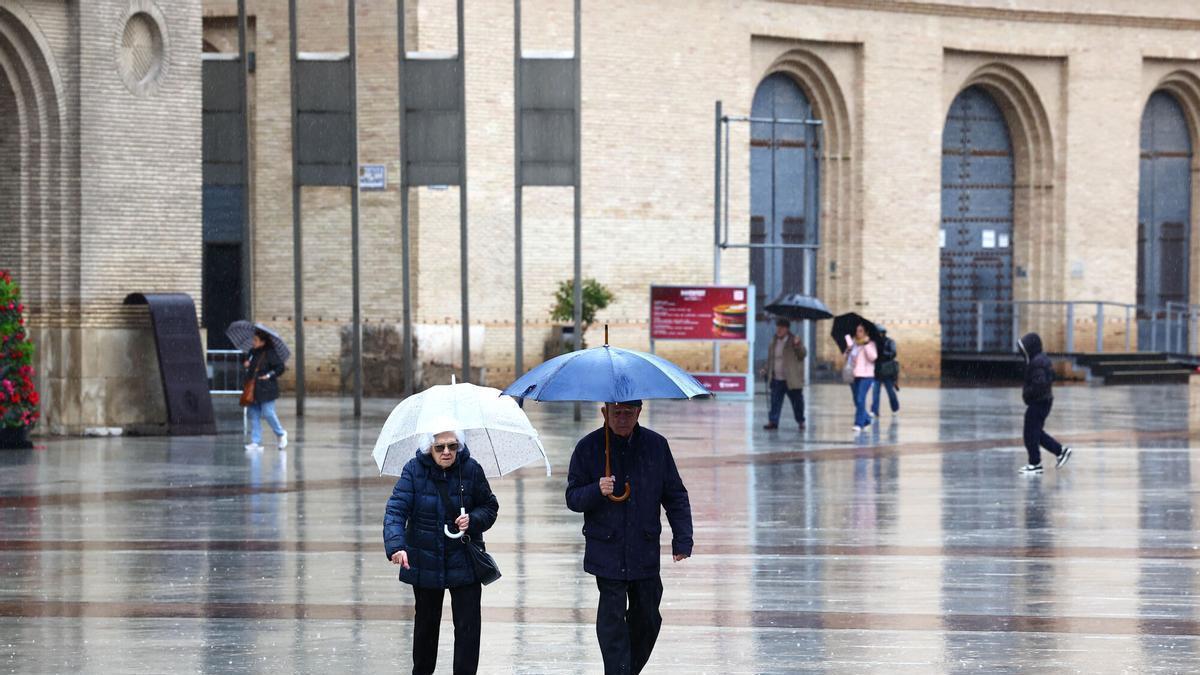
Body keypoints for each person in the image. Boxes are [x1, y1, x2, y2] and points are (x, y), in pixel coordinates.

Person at [565, 400, 693, 675]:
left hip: (643, 547)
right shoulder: (588, 448)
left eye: (628, 413)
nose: (622, 419)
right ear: (604, 413)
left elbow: (675, 495)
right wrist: (596, 489)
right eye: (616, 413)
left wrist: (683, 538)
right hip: (606, 549)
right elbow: (572, 498)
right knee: (611, 620)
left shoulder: (656, 446)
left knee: (647, 617)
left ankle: (627, 669)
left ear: (639, 412)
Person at [383, 429, 500, 675]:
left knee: (468, 630)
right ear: (429, 447)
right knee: (425, 629)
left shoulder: (471, 469)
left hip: (465, 560)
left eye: (452, 446)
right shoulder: (413, 470)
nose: (447, 452)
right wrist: (397, 546)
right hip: (426, 559)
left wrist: (474, 519)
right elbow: (395, 510)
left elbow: (489, 506)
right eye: (440, 447)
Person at [1017, 333, 1073, 475]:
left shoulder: (1037, 362)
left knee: (1030, 433)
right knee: (1035, 432)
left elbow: (1040, 383)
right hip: (1043, 400)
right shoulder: (1041, 360)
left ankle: (1035, 463)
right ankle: (1060, 451)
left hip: (1039, 401)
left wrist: (1028, 393)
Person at [243, 329, 287, 451]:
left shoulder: (270, 353)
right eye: (253, 340)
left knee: (268, 412)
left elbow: (280, 367)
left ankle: (281, 433)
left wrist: (268, 375)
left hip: (266, 388)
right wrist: (246, 363)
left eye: (256, 340)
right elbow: (249, 364)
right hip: (253, 388)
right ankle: (255, 441)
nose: (253, 342)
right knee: (254, 414)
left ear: (263, 342)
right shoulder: (252, 352)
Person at [763, 318, 807, 430]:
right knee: (775, 402)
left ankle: (800, 421)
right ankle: (773, 421)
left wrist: (797, 345)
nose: (779, 330)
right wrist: (766, 369)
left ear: (787, 329)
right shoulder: (773, 341)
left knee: (797, 403)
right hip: (777, 378)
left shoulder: (794, 340)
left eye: (781, 328)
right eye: (778, 327)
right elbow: (771, 359)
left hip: (791, 379)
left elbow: (802, 355)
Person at [844, 324, 877, 433]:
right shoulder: (853, 344)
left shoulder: (870, 343)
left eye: (861, 331)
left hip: (866, 376)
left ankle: (858, 423)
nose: (858, 333)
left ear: (865, 333)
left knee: (860, 398)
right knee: (857, 400)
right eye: (857, 331)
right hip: (854, 375)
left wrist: (866, 344)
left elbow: (873, 357)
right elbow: (846, 358)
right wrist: (848, 350)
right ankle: (867, 419)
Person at [871, 326, 900, 419]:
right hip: (877, 370)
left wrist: (883, 353)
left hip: (887, 371)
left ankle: (895, 408)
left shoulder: (890, 342)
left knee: (890, 392)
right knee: (875, 392)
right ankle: (875, 411)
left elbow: (894, 353)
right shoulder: (873, 343)